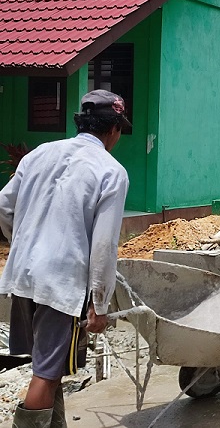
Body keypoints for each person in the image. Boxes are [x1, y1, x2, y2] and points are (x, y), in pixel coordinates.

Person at [0, 90, 130, 425]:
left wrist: (23, 243)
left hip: (22, 276)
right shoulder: (111, 171)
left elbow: (3, 206)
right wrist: (100, 305)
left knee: (49, 365)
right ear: (114, 129)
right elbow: (104, 246)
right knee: (46, 374)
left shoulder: (40, 153)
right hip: (61, 285)